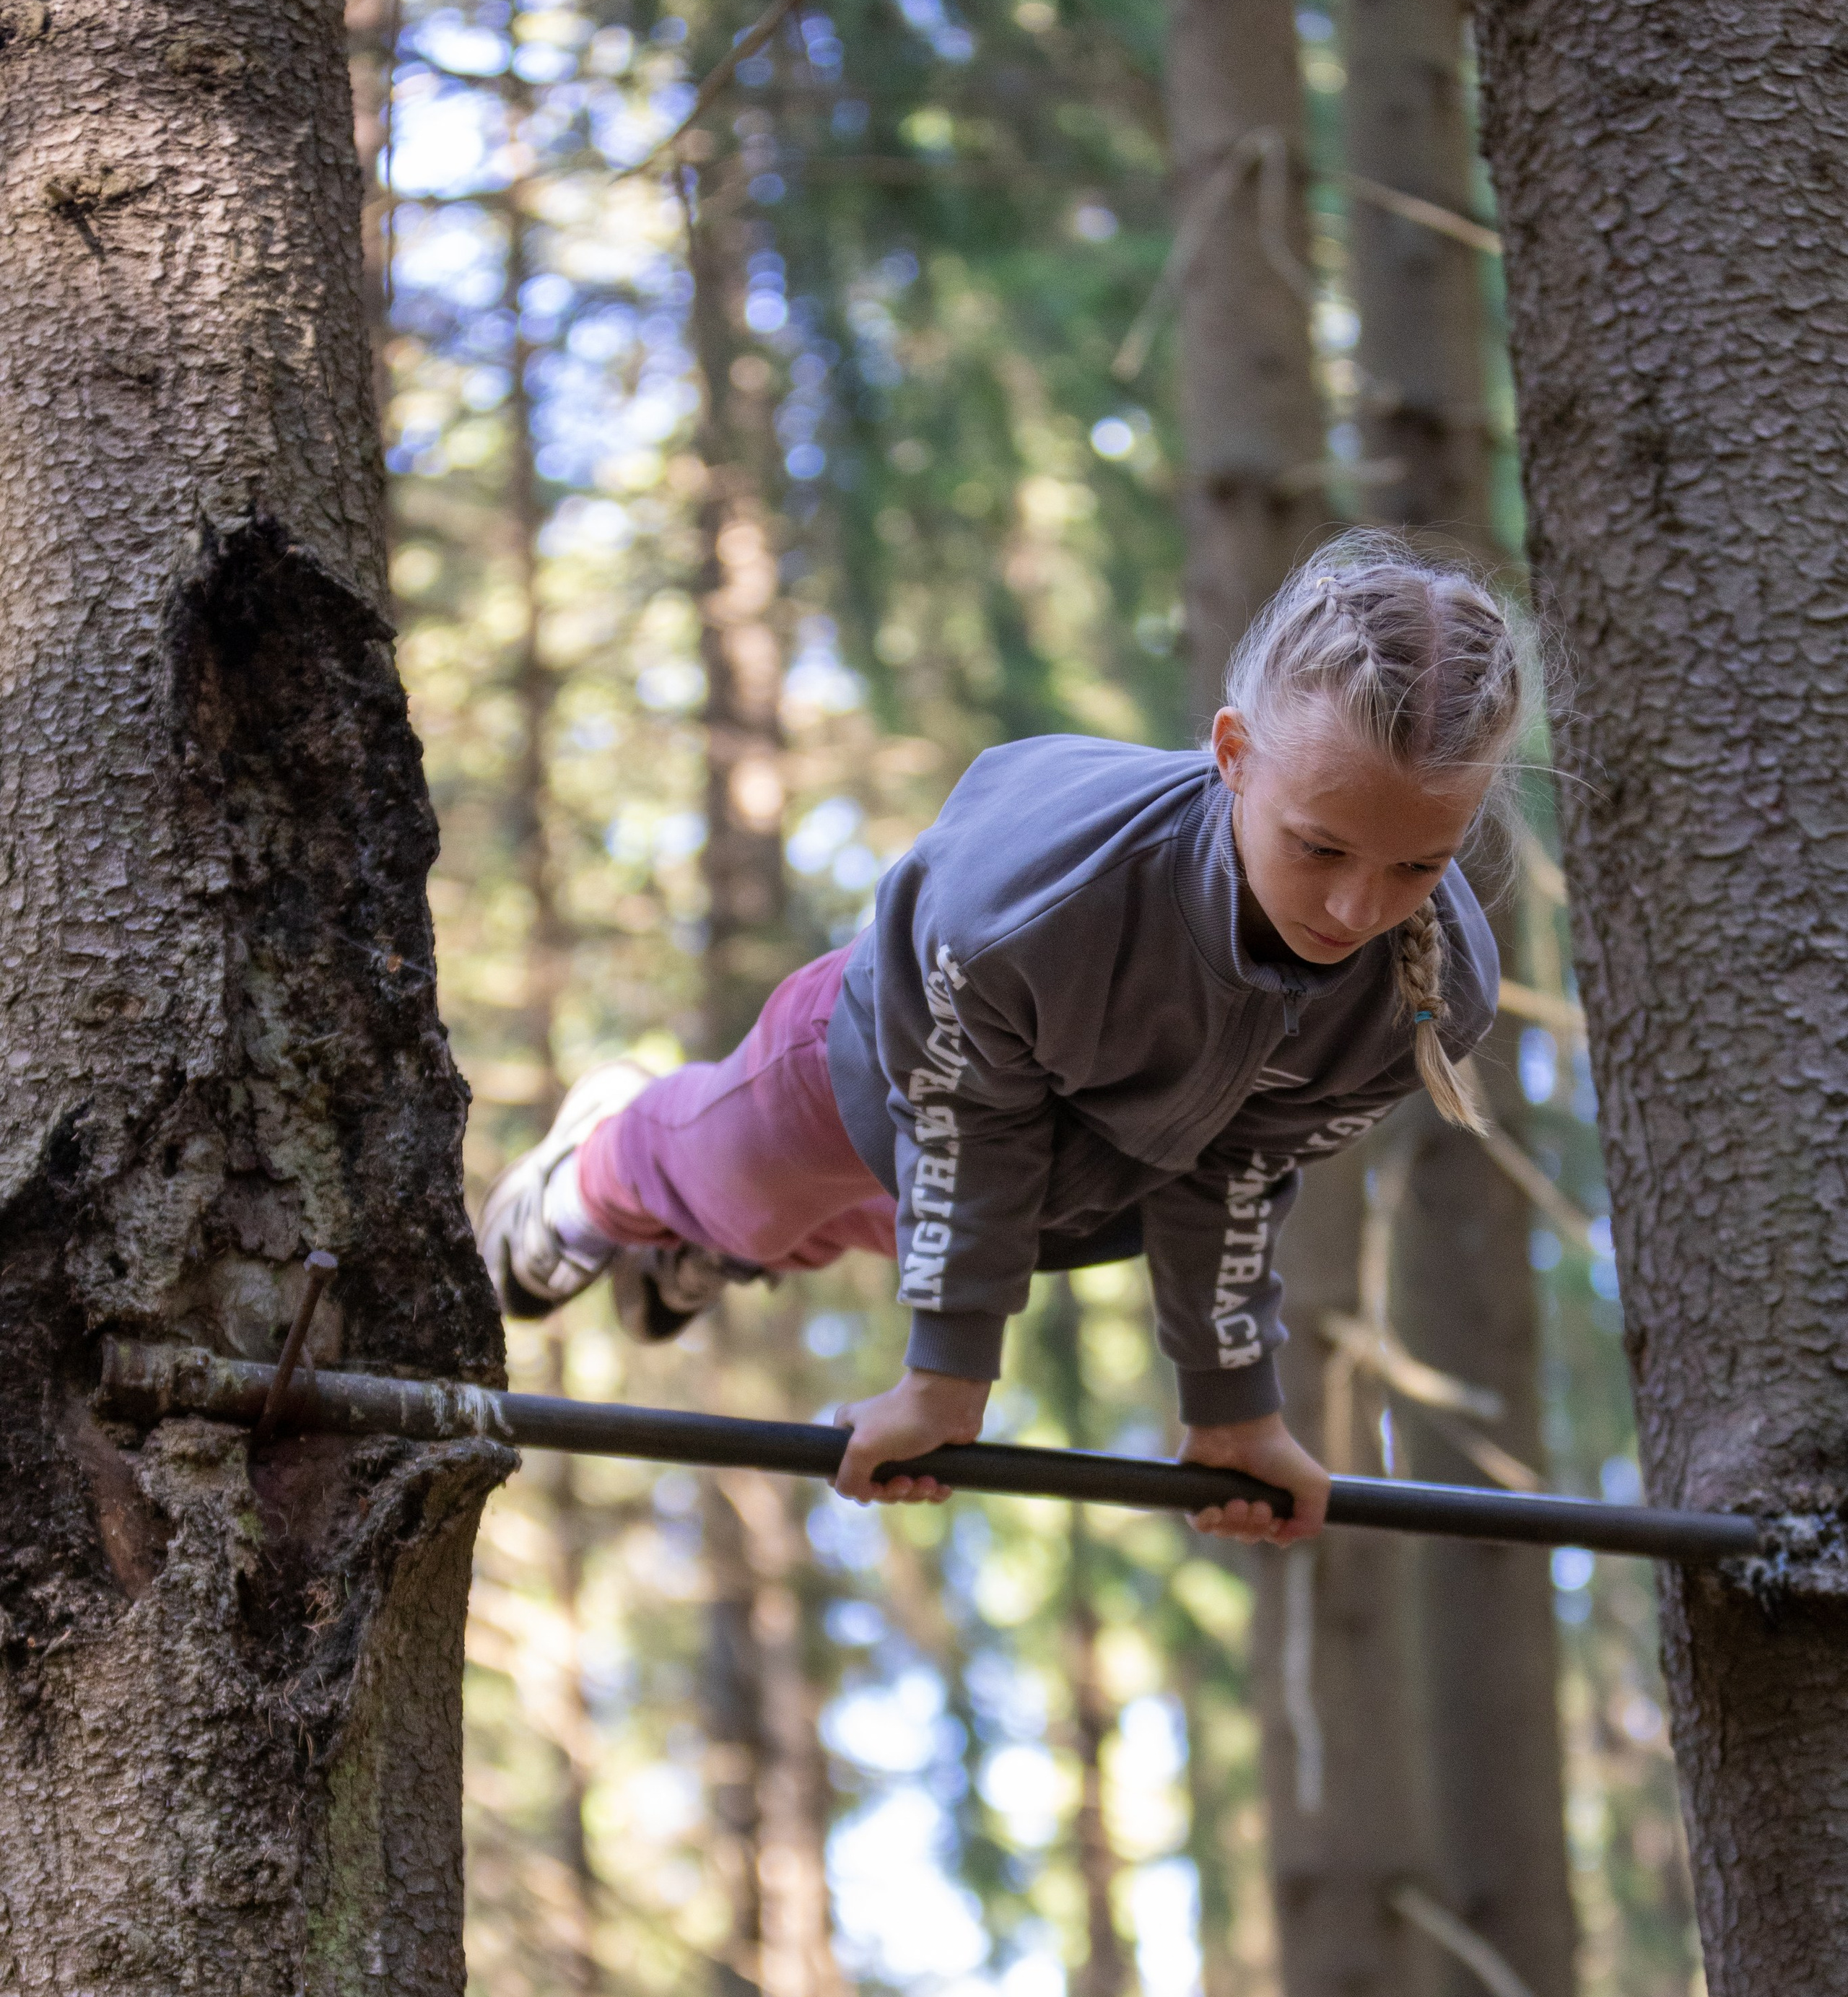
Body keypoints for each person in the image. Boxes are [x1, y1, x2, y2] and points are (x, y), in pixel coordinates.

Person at [476, 537, 1526, 1543]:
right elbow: (969, 1126)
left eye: (1416, 869)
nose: (1354, 907)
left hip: (1075, 1183)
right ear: (1234, 753)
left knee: (854, 1230)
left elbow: (1239, 1172)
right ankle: (605, 1166)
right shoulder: (1034, 905)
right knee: (743, 1182)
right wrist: (948, 1376)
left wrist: (1234, 1408)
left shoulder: (1427, 999)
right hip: (878, 1065)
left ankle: (721, 1248)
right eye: (1320, 847)